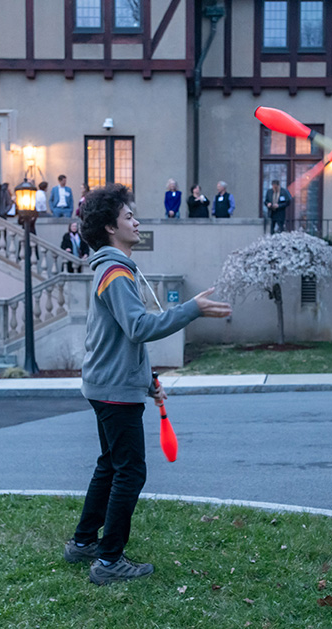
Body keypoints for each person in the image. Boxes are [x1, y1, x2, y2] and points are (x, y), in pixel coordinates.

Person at [64, 184, 231, 585]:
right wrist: (191, 310)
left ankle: (84, 542)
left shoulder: (114, 268)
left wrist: (147, 378)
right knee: (130, 472)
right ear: (109, 227)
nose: (136, 222)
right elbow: (138, 327)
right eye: (128, 217)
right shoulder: (115, 272)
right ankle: (108, 562)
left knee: (110, 465)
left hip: (110, 383)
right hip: (112, 389)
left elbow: (121, 338)